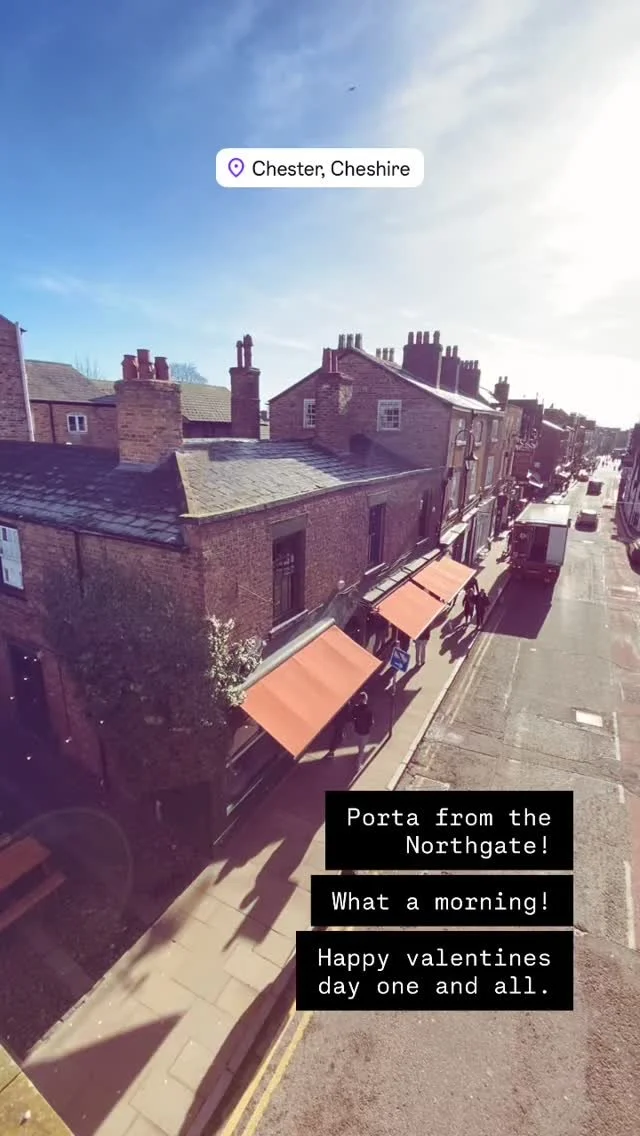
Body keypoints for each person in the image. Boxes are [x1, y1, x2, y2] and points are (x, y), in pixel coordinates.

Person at [351, 692, 374, 768]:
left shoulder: (355, 708)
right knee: (362, 749)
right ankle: (358, 765)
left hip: (357, 730)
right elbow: (371, 723)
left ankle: (358, 758)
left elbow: (352, 717)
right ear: (366, 699)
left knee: (359, 746)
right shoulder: (369, 710)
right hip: (365, 732)